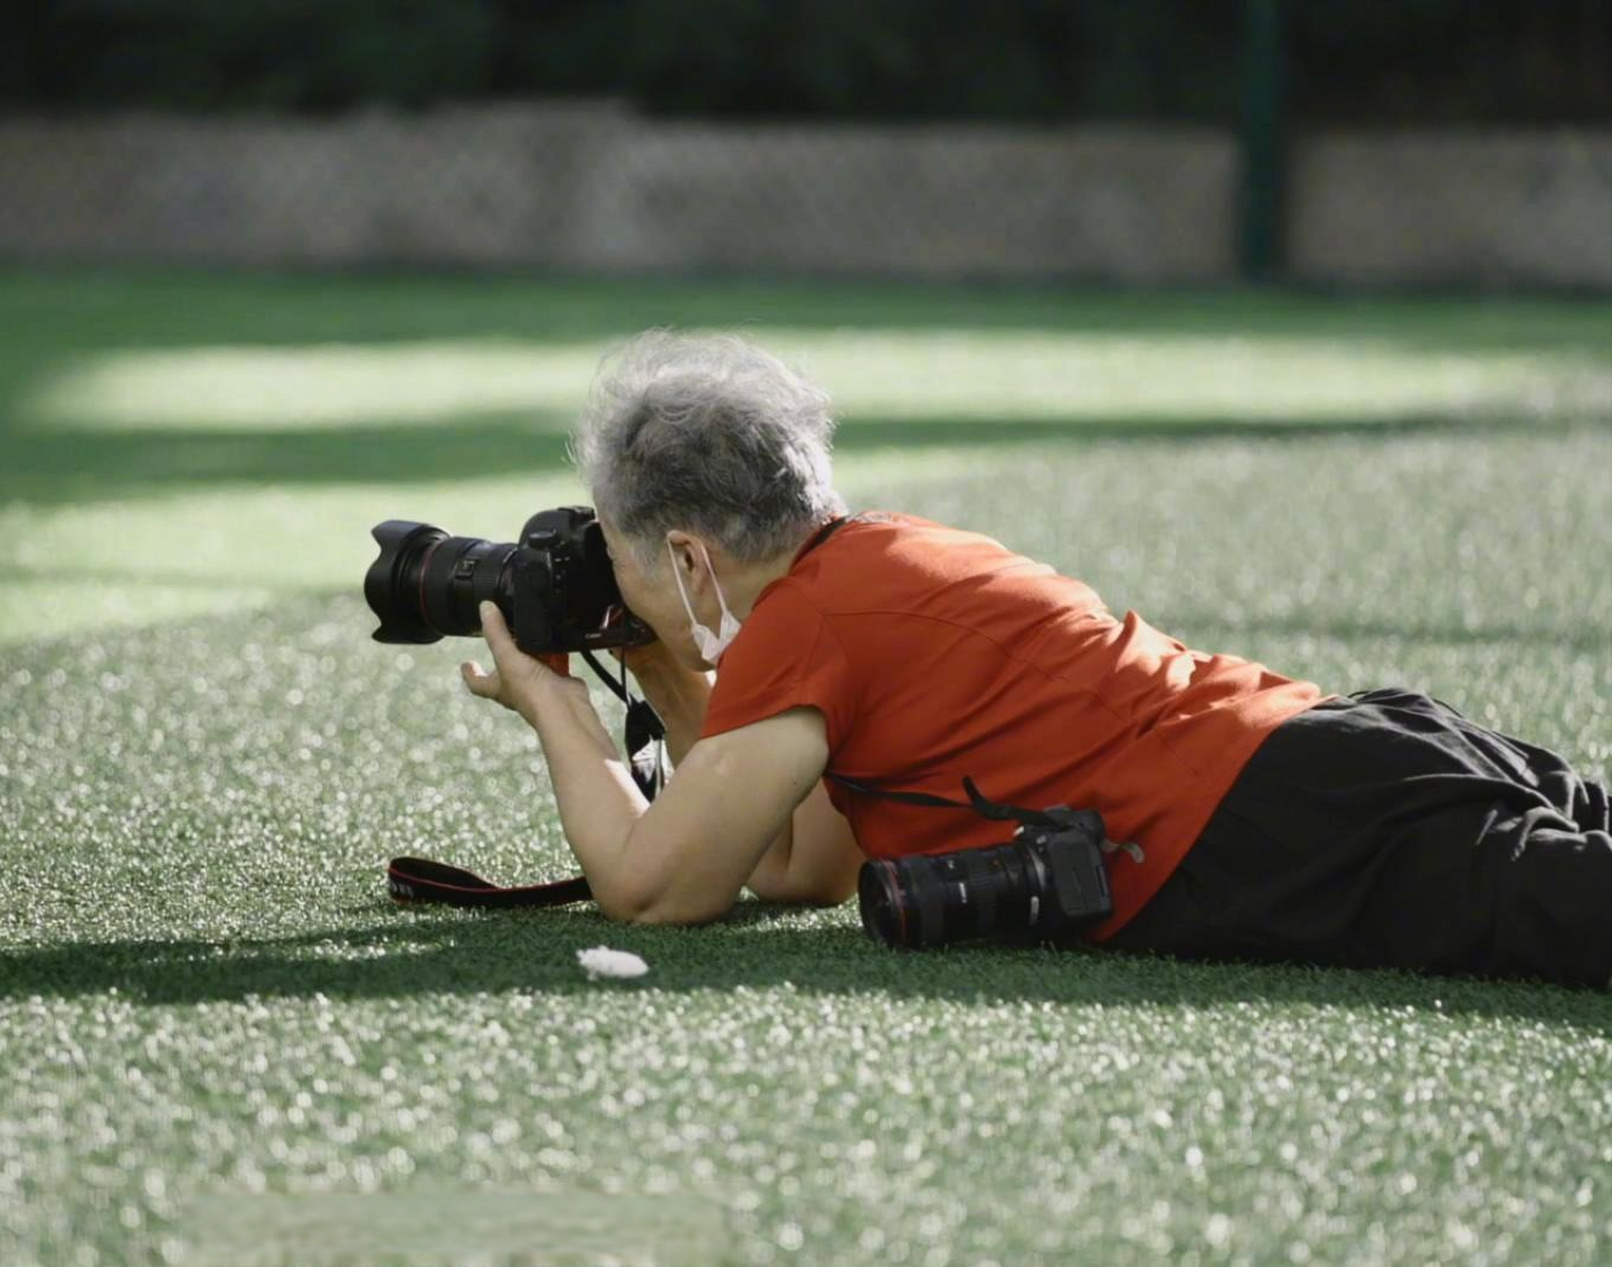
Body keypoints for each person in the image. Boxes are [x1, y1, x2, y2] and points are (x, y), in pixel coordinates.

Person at [457, 331, 1612, 987]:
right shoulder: (867, 571)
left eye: (617, 554)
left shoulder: (810, 623)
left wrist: (550, 697)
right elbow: (798, 862)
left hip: (1288, 824)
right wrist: (665, 672)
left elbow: (656, 886)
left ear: (688, 555)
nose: (611, 582)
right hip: (1339, 760)